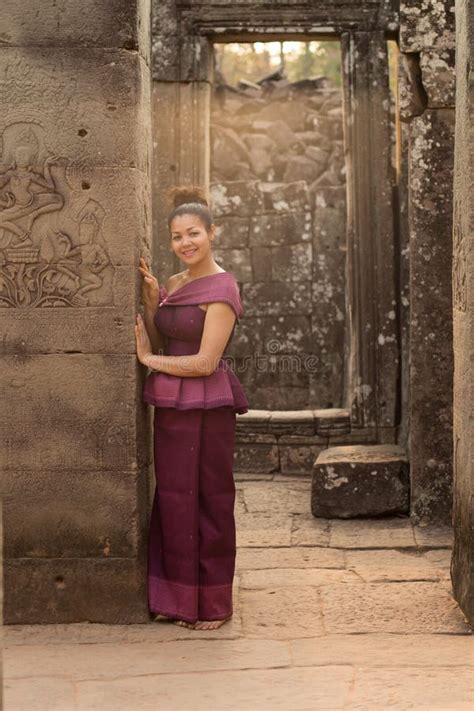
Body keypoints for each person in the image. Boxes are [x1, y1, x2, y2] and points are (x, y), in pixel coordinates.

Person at [134, 185, 249, 630]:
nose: (186, 242)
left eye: (194, 233)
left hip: (208, 408)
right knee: (173, 498)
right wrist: (150, 301)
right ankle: (178, 599)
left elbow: (204, 362)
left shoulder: (222, 289)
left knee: (209, 499)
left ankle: (214, 605)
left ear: (212, 233)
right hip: (172, 406)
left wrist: (148, 361)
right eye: (178, 236)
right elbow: (169, 340)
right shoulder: (174, 285)